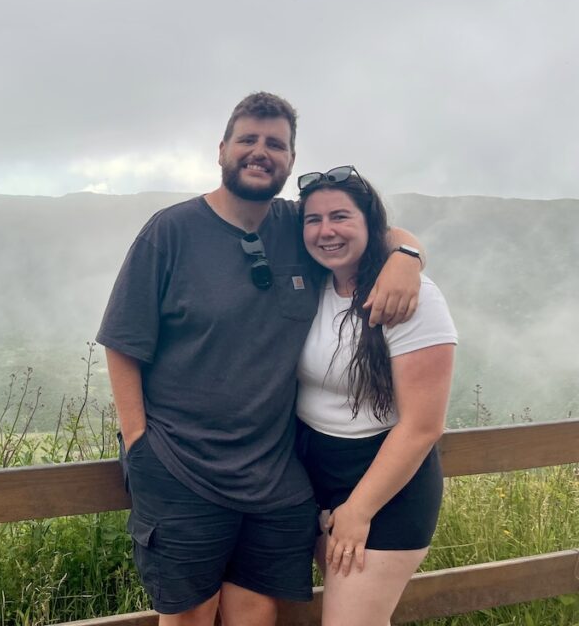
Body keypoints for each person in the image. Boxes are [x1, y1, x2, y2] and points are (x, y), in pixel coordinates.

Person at [96, 93, 426, 626]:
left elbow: (370, 230)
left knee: (255, 610)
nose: (260, 151)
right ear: (222, 149)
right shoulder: (170, 232)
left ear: (290, 160)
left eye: (276, 143)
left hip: (273, 476)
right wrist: (140, 445)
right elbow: (122, 342)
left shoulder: (299, 227)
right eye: (248, 139)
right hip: (181, 468)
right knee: (190, 615)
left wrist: (408, 256)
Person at [295, 166, 456, 626]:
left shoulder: (410, 296)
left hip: (385, 485)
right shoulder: (314, 281)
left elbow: (424, 425)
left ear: (371, 226)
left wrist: (359, 509)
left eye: (341, 217)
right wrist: (408, 250)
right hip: (316, 473)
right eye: (314, 219)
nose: (326, 231)